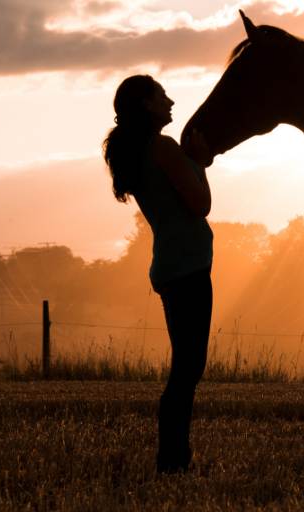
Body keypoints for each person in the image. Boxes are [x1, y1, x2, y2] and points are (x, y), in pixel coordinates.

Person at [102, 75, 213, 473]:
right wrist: (200, 161)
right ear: (147, 105)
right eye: (161, 94)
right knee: (188, 368)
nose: (170, 99)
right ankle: (172, 458)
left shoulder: (144, 150)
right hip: (187, 267)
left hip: (171, 265)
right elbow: (200, 204)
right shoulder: (163, 148)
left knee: (186, 365)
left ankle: (174, 456)